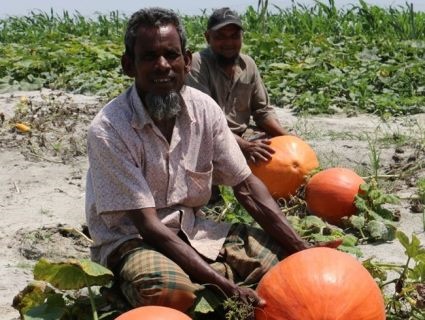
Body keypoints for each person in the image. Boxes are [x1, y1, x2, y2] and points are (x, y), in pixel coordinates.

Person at [85, 7, 339, 316]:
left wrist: (301, 250)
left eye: (171, 55)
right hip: (132, 239)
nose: (163, 66)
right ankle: (147, 288)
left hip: (193, 229)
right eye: (150, 57)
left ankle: (202, 283)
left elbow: (245, 186)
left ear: (186, 61)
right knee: (169, 291)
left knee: (282, 260)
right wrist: (227, 286)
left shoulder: (204, 110)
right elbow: (149, 226)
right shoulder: (110, 128)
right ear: (129, 65)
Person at [187, 7, 289, 164]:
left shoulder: (248, 64)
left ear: (242, 37)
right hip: (207, 137)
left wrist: (287, 137)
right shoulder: (197, 64)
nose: (228, 43)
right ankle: (213, 186)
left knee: (276, 150)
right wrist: (245, 146)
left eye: (234, 36)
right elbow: (204, 122)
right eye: (220, 37)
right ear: (208, 38)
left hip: (241, 134)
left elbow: (263, 111)